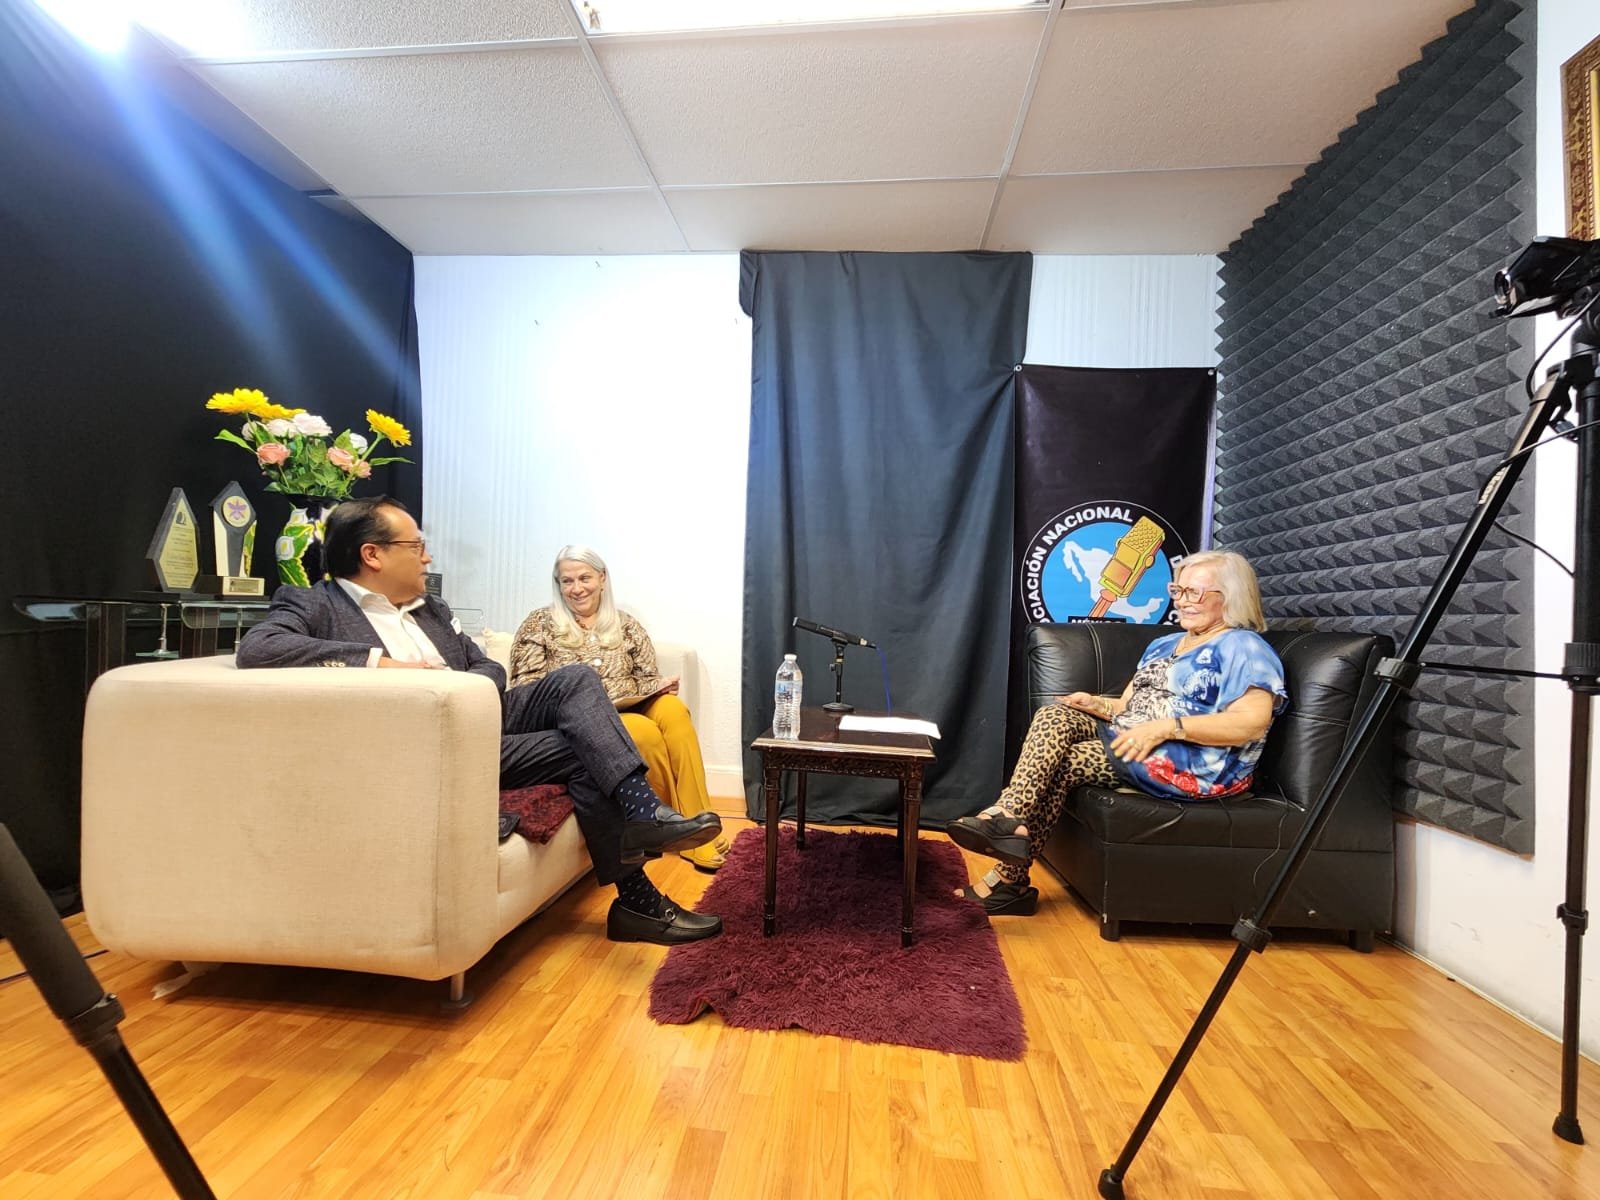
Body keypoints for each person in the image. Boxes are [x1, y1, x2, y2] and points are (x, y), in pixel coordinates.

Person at [234, 496, 724, 946]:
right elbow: (260, 648)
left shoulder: (432, 609)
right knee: (586, 751)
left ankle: (643, 814)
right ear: (372, 555)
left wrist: (463, 688)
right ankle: (638, 902)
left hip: (481, 714)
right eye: (416, 547)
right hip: (426, 742)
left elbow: (487, 666)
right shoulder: (313, 603)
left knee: (576, 679)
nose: (427, 557)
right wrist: (384, 665)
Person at [947, 550, 1287, 917]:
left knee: (1070, 762)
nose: (1182, 601)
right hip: (1138, 739)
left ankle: (1009, 871)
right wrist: (1095, 703)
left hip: (1193, 763)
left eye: (1195, 593)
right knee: (1055, 714)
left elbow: (1251, 723)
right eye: (1178, 590)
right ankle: (1009, 815)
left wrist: (1166, 728)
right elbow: (1128, 706)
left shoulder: (1243, 647)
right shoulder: (1165, 644)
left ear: (1231, 596)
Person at [509, 546, 731, 872]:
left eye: (584, 578)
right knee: (642, 731)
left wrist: (658, 687)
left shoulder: (626, 625)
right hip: (583, 720)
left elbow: (646, 677)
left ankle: (699, 822)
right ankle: (683, 828)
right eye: (567, 581)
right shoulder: (539, 624)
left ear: (602, 578)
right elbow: (526, 690)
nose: (576, 588)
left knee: (673, 710)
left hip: (632, 704)